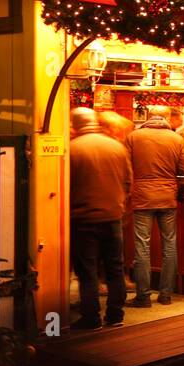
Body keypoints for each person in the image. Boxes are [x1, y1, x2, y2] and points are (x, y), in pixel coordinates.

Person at [68, 108, 132, 330]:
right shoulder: (116, 147)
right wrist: (119, 205)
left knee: (88, 272)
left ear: (75, 124)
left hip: (82, 218)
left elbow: (63, 185)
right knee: (115, 268)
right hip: (113, 216)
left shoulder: (71, 149)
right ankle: (115, 315)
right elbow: (128, 182)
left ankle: (91, 317)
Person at [125, 105, 184, 306]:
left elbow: (125, 166)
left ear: (147, 116)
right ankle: (166, 295)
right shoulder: (176, 139)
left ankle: (143, 296)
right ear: (167, 118)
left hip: (142, 198)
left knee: (142, 246)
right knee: (169, 245)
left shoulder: (133, 137)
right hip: (167, 198)